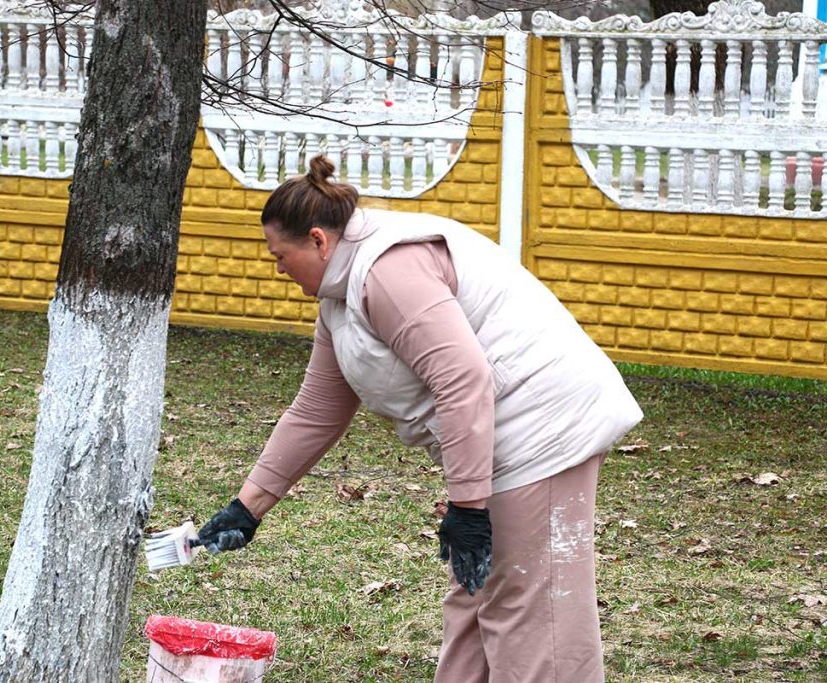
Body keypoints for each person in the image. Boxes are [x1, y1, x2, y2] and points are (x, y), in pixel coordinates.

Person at [194, 155, 643, 682]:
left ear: (317, 241)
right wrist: (247, 508)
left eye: (280, 255)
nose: (278, 268)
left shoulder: (387, 273)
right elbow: (317, 410)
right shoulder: (340, 300)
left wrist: (468, 510)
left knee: (528, 607)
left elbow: (463, 379)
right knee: (475, 597)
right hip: (499, 436)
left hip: (543, 429)